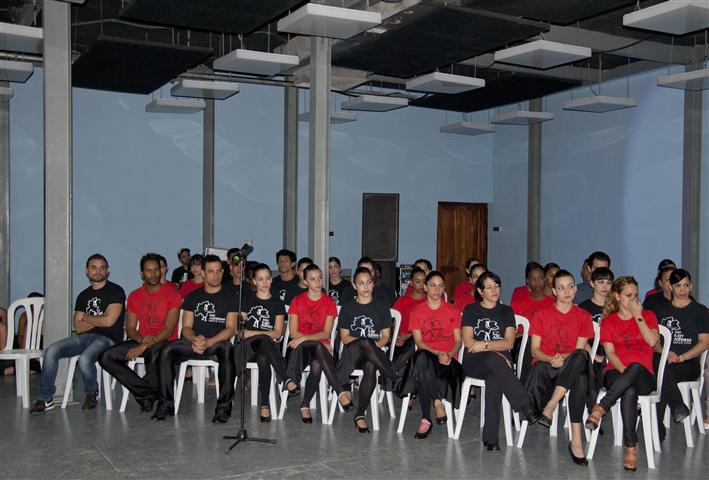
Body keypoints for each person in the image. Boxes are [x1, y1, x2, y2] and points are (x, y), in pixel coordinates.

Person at [30, 254, 125, 413]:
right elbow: (78, 327)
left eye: (102, 268)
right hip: (84, 337)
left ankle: (91, 392)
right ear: (86, 271)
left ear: (107, 271)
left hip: (107, 339)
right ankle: (45, 398)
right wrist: (100, 318)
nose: (98, 271)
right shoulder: (83, 295)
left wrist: (87, 317)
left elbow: (109, 322)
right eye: (93, 268)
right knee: (51, 350)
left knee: (85, 359)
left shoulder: (116, 291)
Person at [585, 277, 660, 472]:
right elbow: (610, 353)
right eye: (628, 295)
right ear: (617, 296)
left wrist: (638, 316)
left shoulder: (648, 315)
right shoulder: (609, 321)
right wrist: (627, 375)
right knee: (629, 389)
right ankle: (631, 447)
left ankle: (601, 407)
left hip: (644, 375)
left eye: (635, 295)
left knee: (635, 368)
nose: (633, 299)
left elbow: (652, 342)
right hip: (615, 373)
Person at [461, 271, 542, 451]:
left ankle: (490, 438)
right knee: (494, 359)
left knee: (494, 378)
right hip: (474, 362)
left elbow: (509, 342)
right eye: (489, 287)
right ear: (480, 291)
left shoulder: (506, 311)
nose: (494, 290)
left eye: (497, 286)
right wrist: (494, 349)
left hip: (499, 362)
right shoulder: (471, 310)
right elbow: (469, 342)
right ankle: (525, 404)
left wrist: (485, 344)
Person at [154, 255, 237, 423]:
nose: (215, 275)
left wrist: (209, 342)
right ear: (203, 273)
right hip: (193, 342)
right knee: (166, 350)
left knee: (228, 349)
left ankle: (223, 408)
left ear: (223, 272)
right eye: (211, 271)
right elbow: (186, 327)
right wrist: (194, 339)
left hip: (216, 342)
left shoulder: (231, 297)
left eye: (218, 271)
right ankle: (166, 404)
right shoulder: (193, 297)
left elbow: (230, 329)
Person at [526, 270, 595, 466]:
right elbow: (535, 350)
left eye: (571, 287)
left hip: (571, 364)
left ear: (575, 289)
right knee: (580, 375)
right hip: (546, 367)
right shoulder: (541, 315)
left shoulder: (583, 316)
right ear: (554, 291)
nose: (567, 292)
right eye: (561, 288)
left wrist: (562, 358)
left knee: (581, 359)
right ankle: (576, 440)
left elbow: (578, 350)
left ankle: (552, 406)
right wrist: (551, 359)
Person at [99, 253, 181, 412]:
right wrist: (141, 340)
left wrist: (144, 346)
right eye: (148, 270)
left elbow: (169, 329)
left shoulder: (172, 294)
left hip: (165, 341)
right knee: (106, 357)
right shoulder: (135, 296)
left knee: (154, 353)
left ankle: (151, 397)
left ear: (161, 271)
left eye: (156, 270)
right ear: (142, 273)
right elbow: (130, 328)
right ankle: (146, 393)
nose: (153, 274)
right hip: (142, 339)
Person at [396, 271, 463, 439]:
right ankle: (436, 404)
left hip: (448, 363)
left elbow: (458, 341)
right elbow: (419, 343)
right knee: (422, 359)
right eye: (432, 285)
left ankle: (426, 418)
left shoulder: (452, 310)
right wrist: (438, 353)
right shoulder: (417, 311)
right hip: (429, 357)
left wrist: (448, 355)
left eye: (440, 286)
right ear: (425, 287)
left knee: (420, 364)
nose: (437, 290)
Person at [283, 264, 349, 423]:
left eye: (320, 278)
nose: (318, 282)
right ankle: (339, 391)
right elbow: (293, 333)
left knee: (317, 364)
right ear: (305, 281)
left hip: (318, 348)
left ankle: (304, 404)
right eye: (313, 279)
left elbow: (326, 333)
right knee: (318, 346)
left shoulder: (329, 302)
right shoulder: (297, 300)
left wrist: (304, 338)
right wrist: (307, 339)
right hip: (300, 349)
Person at [336, 267, 397, 432]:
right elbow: (345, 338)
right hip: (353, 354)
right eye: (361, 283)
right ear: (354, 286)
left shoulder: (381, 307)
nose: (366, 287)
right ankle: (392, 376)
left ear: (373, 283)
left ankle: (359, 415)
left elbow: (386, 337)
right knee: (364, 342)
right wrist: (365, 343)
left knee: (370, 365)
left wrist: (371, 348)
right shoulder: (347, 308)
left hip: (373, 354)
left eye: (369, 282)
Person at [652, 269, 707, 441]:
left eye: (686, 285)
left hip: (688, 363)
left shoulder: (700, 310)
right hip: (664, 359)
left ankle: (656, 428)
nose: (682, 290)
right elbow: (653, 341)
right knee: (660, 366)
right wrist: (666, 353)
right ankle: (678, 406)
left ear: (691, 286)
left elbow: (705, 342)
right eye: (678, 286)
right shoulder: (659, 310)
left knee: (661, 376)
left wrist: (682, 357)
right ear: (670, 287)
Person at [233, 263, 288, 423]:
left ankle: (265, 405)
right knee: (264, 339)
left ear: (271, 280)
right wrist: (261, 334)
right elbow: (240, 332)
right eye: (260, 279)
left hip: (267, 350)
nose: (264, 282)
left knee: (264, 358)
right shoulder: (247, 300)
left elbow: (278, 333)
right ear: (254, 281)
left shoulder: (277, 303)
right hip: (248, 349)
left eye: (267, 278)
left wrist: (253, 332)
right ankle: (286, 377)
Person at [511, 262, 554, 379]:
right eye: (534, 279)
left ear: (545, 280)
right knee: (527, 342)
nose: (538, 282)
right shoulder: (518, 304)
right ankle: (525, 383)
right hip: (520, 343)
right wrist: (526, 335)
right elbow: (510, 331)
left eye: (540, 278)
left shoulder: (553, 304)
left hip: (544, 344)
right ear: (528, 282)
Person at [578, 267, 615, 388]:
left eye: (609, 283)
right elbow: (579, 338)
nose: (605, 286)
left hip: (611, 349)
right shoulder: (583, 308)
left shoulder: (616, 308)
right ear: (592, 283)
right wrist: (596, 357)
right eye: (601, 282)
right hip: (589, 349)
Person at [391, 267, 428, 359]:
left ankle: (395, 367)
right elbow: (395, 321)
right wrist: (397, 337)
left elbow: (427, 325)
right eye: (418, 281)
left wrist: (408, 336)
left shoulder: (429, 301)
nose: (421, 285)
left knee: (414, 341)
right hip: (402, 338)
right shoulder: (403, 300)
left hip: (421, 337)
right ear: (411, 283)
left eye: (424, 281)